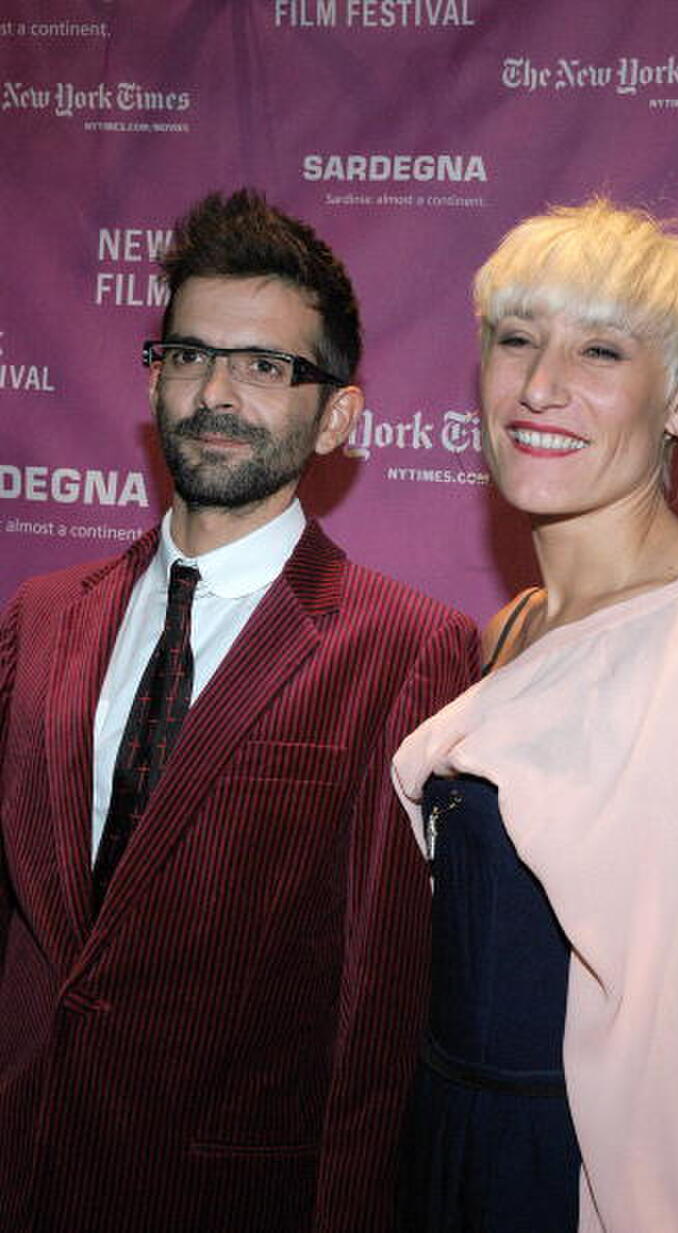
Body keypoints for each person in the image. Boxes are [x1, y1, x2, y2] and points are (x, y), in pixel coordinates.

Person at [0, 188, 478, 1233]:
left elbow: (382, 1008)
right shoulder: (40, 617)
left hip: (224, 1195)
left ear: (339, 413)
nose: (216, 392)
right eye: (188, 355)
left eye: (268, 367)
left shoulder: (405, 650)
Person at [393, 198, 678, 1233]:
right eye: (515, 340)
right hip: (444, 1149)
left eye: (598, 351)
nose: (540, 386)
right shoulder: (514, 628)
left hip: (575, 1180)